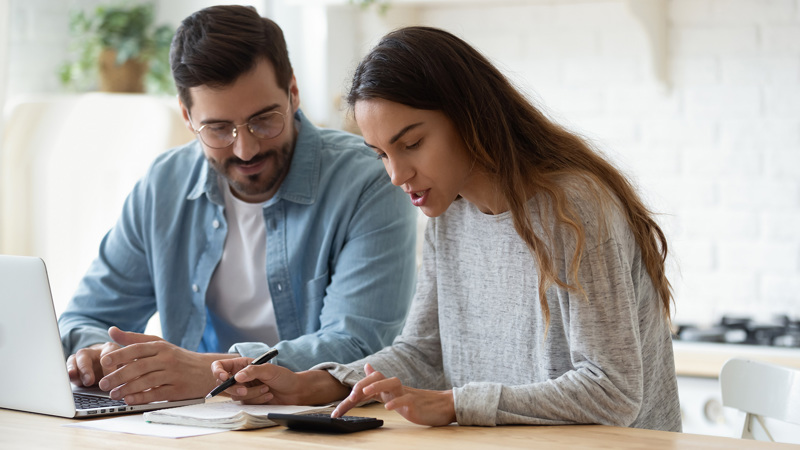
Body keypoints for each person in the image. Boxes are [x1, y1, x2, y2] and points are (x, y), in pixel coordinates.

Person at [209, 26, 682, 432]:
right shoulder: (448, 213)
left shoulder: (571, 206)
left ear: (468, 117)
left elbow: (613, 391)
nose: (396, 175)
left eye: (411, 143)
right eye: (381, 153)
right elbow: (425, 353)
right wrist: (318, 382)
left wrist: (457, 404)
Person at [57, 5, 417, 405]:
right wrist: (101, 356)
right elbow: (84, 318)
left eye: (264, 120)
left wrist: (207, 371)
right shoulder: (164, 185)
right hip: (191, 421)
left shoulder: (369, 180)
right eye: (218, 129)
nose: (245, 148)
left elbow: (358, 345)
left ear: (293, 92)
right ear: (187, 116)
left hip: (314, 419)